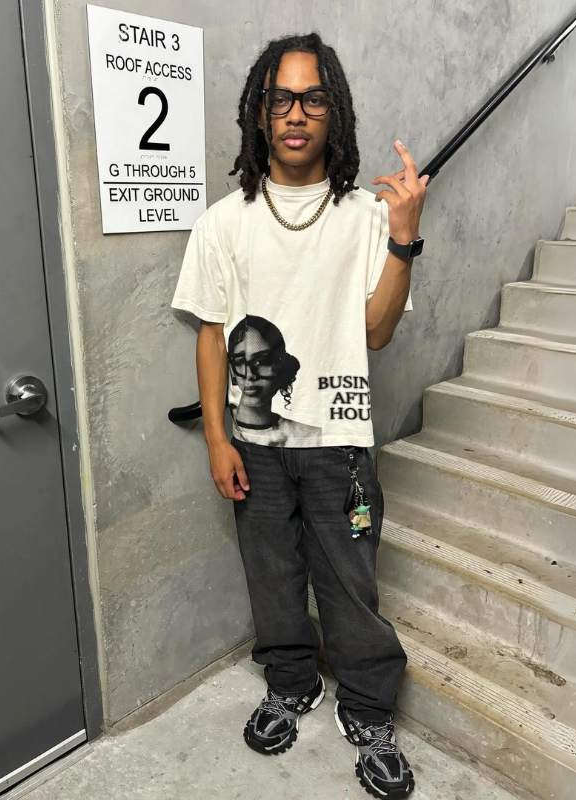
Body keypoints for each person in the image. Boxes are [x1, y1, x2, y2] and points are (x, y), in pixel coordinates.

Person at [171, 31, 428, 800]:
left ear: (333, 112)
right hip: (254, 443)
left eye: (312, 97)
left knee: (349, 586)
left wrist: (405, 238)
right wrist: (217, 439)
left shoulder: (366, 216)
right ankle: (290, 684)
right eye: (280, 97)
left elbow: (377, 332)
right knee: (273, 578)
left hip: (338, 443)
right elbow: (212, 334)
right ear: (259, 112)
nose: (295, 112)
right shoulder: (224, 222)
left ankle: (369, 709)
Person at [227, 314, 323, 445]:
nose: (250, 374)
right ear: (232, 369)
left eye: (262, 361)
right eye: (240, 362)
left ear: (279, 365)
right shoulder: (222, 428)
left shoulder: (310, 436)